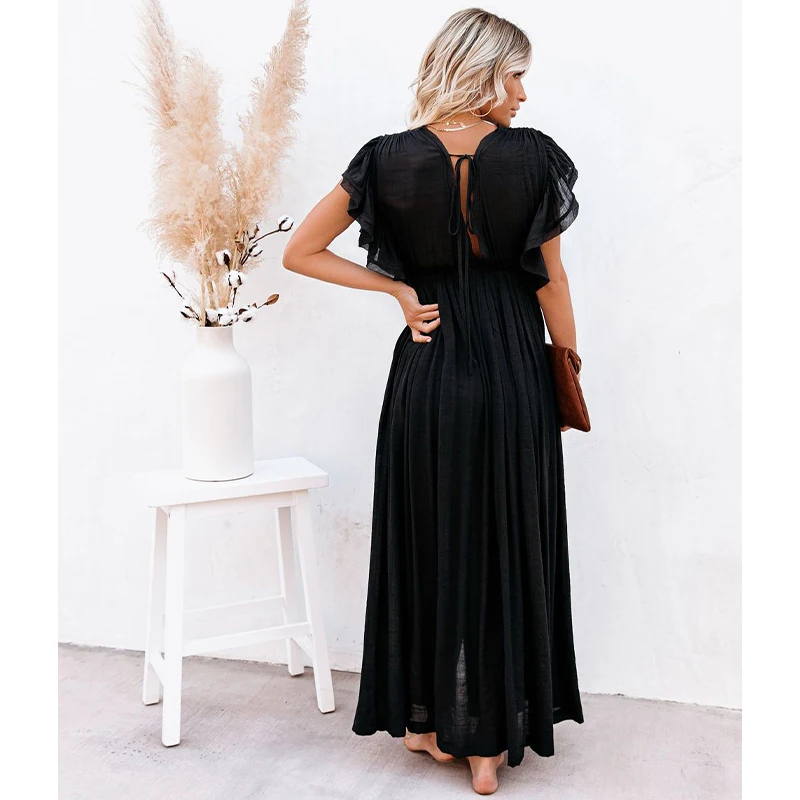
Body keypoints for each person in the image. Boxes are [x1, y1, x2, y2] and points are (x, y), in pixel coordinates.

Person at [282, 7, 585, 795]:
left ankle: (425, 724)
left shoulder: (386, 159)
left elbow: (300, 252)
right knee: (506, 538)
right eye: (515, 75)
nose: (522, 93)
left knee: (430, 537)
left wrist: (397, 291)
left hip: (428, 364)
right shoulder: (532, 156)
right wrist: (566, 365)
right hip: (513, 369)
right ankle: (490, 747)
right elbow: (551, 281)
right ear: (482, 72)